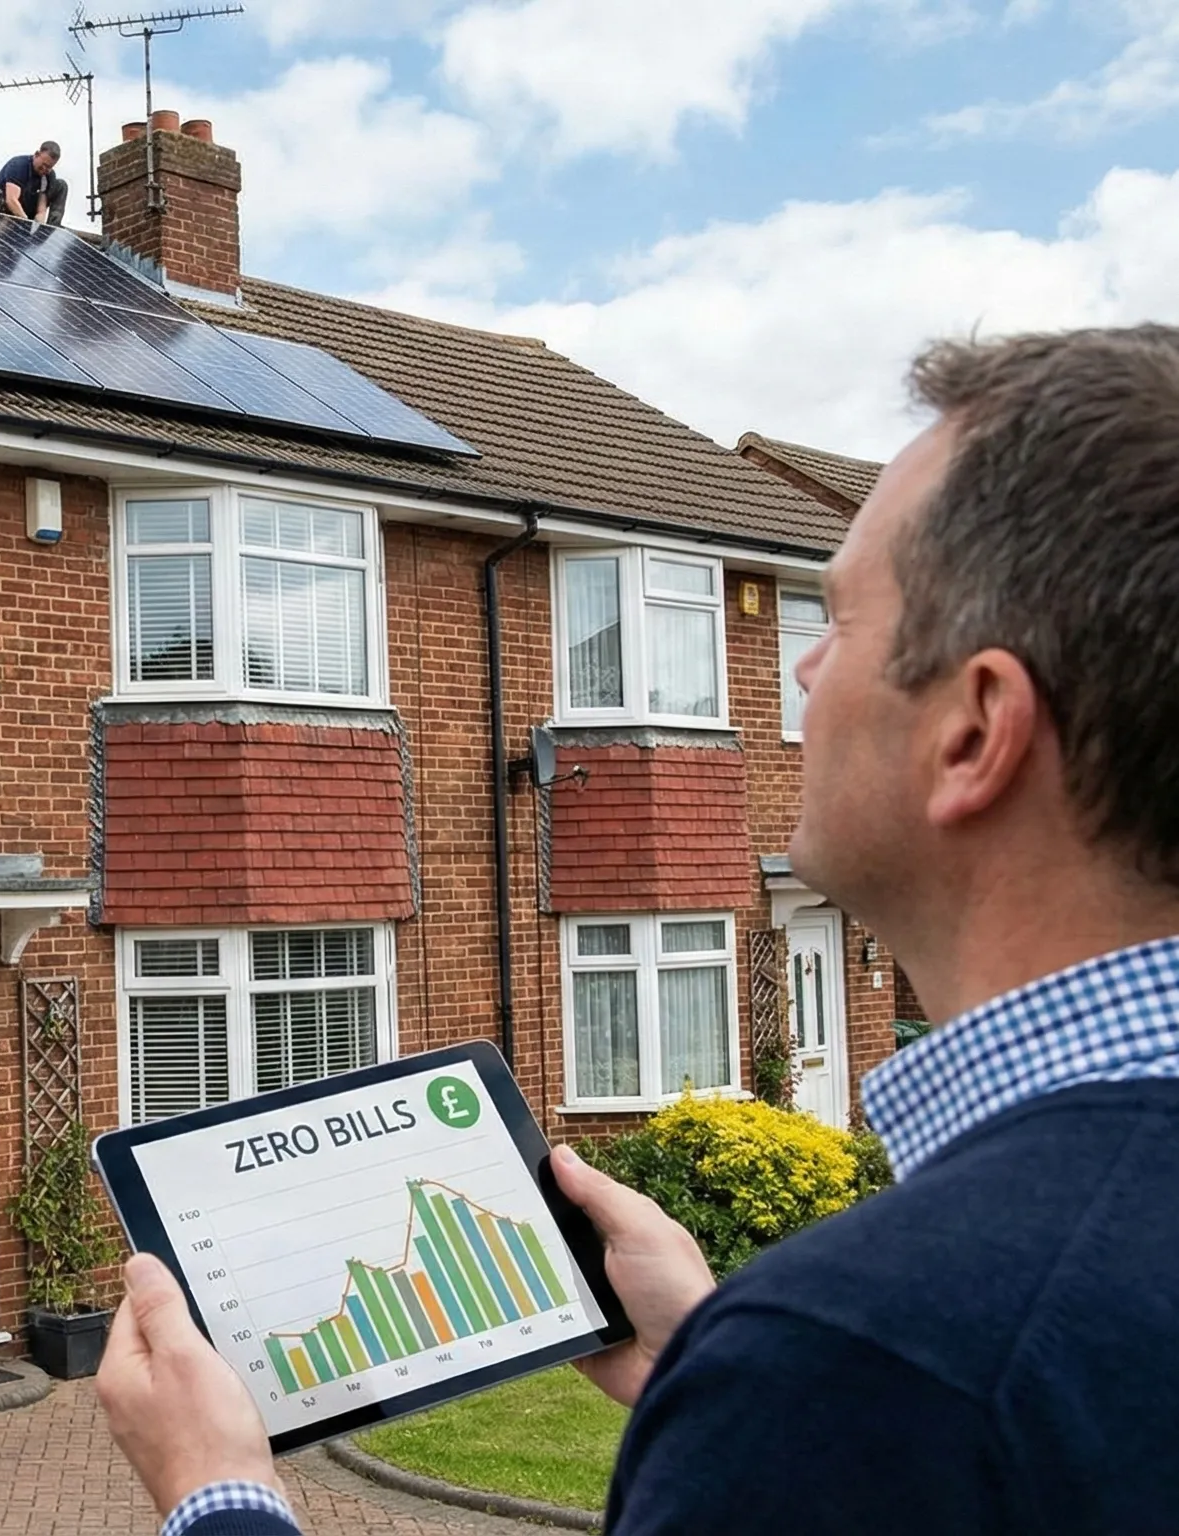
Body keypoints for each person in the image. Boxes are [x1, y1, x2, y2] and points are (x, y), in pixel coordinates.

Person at [97, 324, 1179, 1536]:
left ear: (975, 731)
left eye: (837, 619)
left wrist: (215, 1492)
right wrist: (704, 1377)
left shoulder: (876, 1348)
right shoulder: (893, 1362)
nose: (804, 671)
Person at [0, 141, 66, 225]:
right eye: (44, 164)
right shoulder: (18, 165)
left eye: (49, 167)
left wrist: (40, 226)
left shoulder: (47, 176)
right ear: (37, 154)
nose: (45, 169)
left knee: (61, 185)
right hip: (0, 210)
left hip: (23, 212)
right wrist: (26, 223)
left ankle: (53, 227)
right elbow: (11, 200)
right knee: (3, 226)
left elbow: (41, 210)